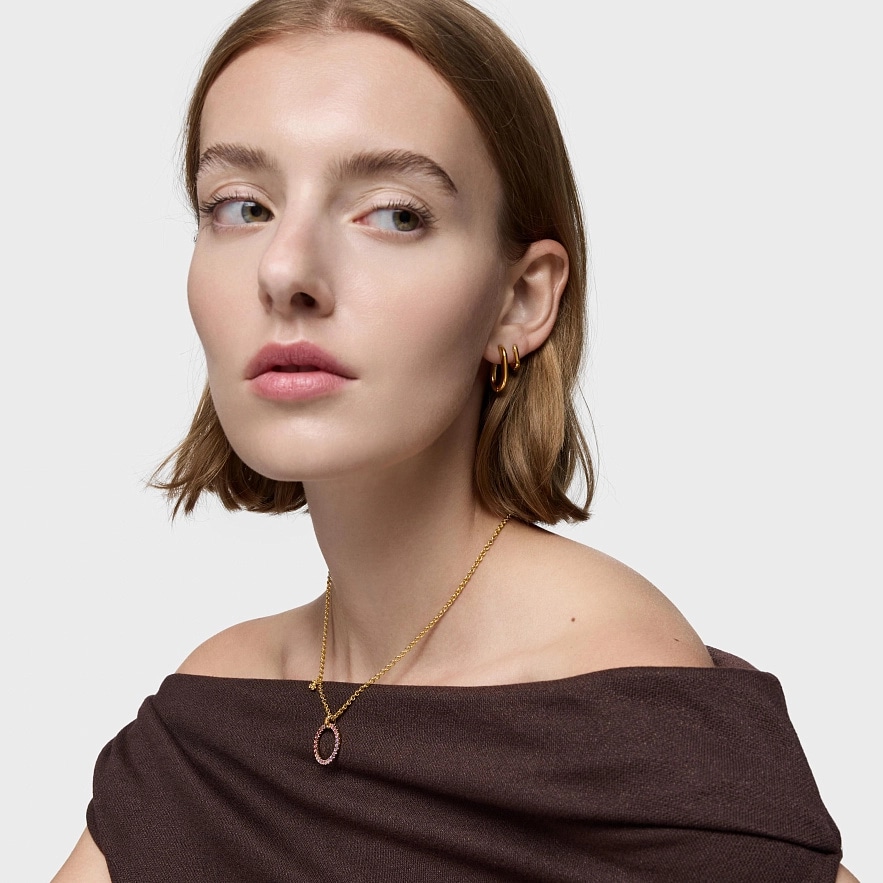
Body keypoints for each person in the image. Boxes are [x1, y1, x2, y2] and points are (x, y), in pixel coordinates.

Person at [51, 0, 858, 880]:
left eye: (394, 215)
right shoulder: (214, 714)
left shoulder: (611, 693)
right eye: (241, 206)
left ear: (521, 300)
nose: (284, 270)